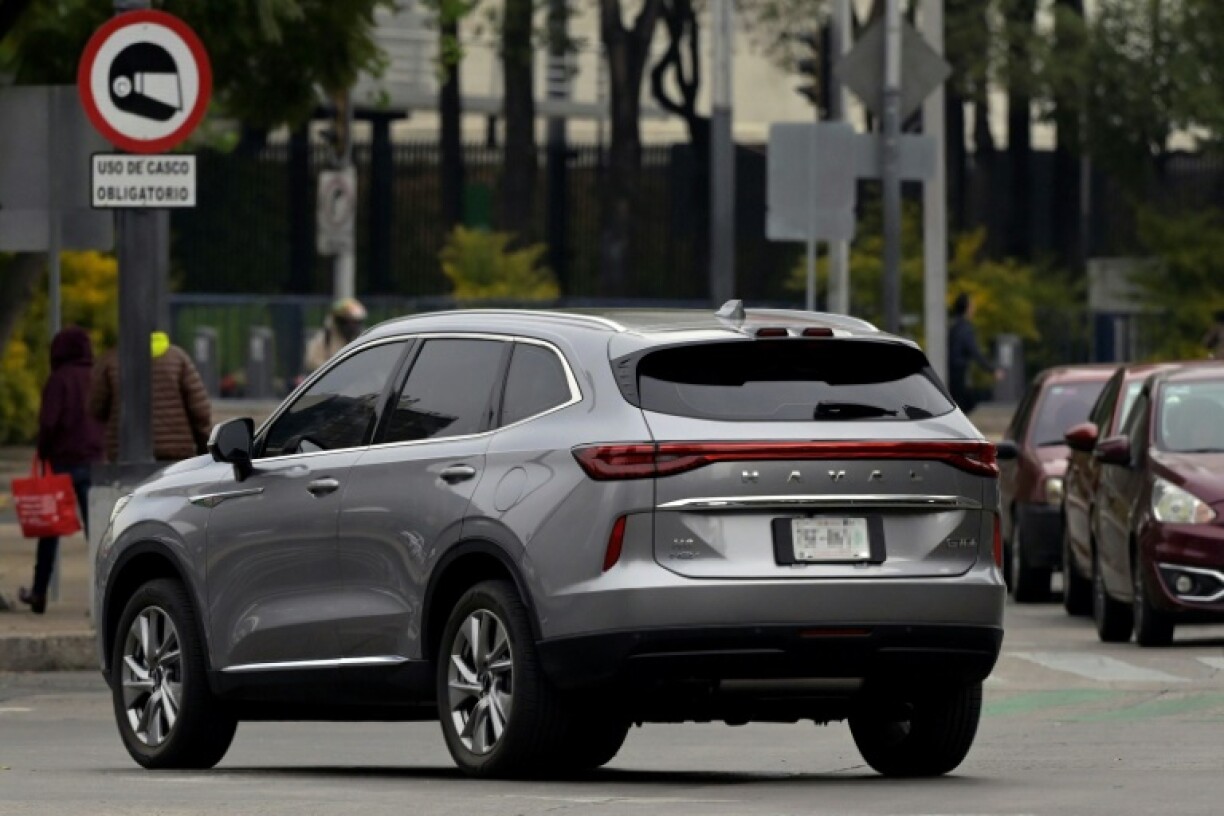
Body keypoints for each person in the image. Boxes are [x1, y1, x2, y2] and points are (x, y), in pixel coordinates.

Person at [18, 327, 103, 615]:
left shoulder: (59, 380)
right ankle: (102, 598)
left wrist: (43, 451)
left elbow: (48, 423)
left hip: (63, 463)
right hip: (94, 462)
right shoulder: (97, 376)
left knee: (49, 531)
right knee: (99, 534)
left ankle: (39, 592)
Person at [89, 331, 212, 463]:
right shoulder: (178, 357)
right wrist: (205, 448)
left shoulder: (111, 359)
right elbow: (200, 412)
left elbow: (96, 408)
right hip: (175, 450)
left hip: (125, 450)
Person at [947, 292, 1001, 413]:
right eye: (972, 306)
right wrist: (992, 370)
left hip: (951, 374)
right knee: (969, 403)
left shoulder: (952, 326)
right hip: (959, 374)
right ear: (967, 308)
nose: (974, 309)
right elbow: (974, 352)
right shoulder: (965, 329)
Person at [303, 297, 367, 375]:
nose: (352, 327)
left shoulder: (362, 338)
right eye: (348, 322)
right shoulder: (325, 338)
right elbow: (312, 362)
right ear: (339, 320)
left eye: (356, 322)